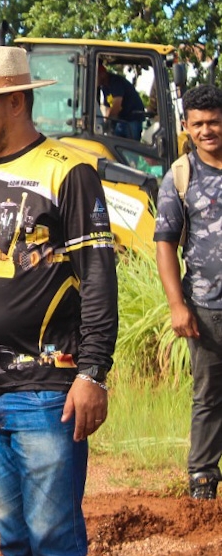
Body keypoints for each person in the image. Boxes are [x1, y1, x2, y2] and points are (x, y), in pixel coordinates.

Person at [0, 47, 118, 556]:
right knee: (13, 539)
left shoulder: (69, 173)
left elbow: (100, 279)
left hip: (46, 395)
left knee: (52, 538)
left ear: (16, 101)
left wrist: (92, 374)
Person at [154, 84, 222, 500]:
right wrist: (177, 305)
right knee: (209, 396)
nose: (207, 130)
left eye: (214, 121)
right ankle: (202, 480)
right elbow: (164, 242)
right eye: (198, 123)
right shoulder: (182, 175)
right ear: (186, 126)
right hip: (207, 308)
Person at [97, 62, 145, 140]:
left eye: (96, 76)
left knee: (131, 147)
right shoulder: (104, 87)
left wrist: (107, 123)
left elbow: (116, 106)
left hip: (132, 119)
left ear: (102, 74)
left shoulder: (116, 82)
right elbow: (108, 106)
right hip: (121, 120)